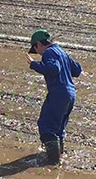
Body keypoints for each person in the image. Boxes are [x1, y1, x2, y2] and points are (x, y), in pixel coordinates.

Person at [25, 29, 82, 164]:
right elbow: (77, 70)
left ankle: (52, 160)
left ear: (39, 44)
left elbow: (53, 69)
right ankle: (58, 155)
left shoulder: (49, 52)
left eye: (35, 48)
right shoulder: (62, 52)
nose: (38, 53)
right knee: (59, 125)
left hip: (58, 93)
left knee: (46, 124)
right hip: (71, 94)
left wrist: (34, 64)